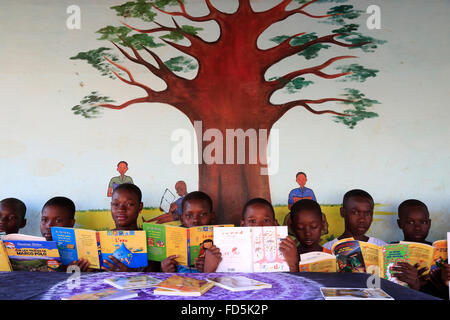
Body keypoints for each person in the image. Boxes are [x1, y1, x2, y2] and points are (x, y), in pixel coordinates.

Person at [203, 198, 278, 273]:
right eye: (252, 221)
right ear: (242, 225)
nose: (258, 226)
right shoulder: (226, 247)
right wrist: (208, 268)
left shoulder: (284, 247)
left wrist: (290, 263)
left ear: (275, 224)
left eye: (266, 220)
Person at [393, 199, 449, 299]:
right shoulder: (391, 250)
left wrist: (446, 282)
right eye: (410, 222)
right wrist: (414, 285)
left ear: (429, 223)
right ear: (399, 223)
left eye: (423, 222)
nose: (417, 227)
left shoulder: (442, 252)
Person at [103, 183, 157, 272]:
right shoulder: (103, 239)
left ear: (140, 207)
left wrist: (130, 273)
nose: (121, 209)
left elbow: (153, 275)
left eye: (129, 204)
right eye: (116, 204)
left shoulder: (150, 241)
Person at [161, 191, 216, 273]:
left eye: (202, 214)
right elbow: (168, 272)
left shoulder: (220, 239)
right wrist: (166, 269)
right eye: (189, 215)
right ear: (182, 219)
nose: (195, 220)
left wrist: (209, 268)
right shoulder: (173, 238)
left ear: (212, 216)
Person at [322, 189, 387, 251]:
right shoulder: (328, 248)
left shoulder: (382, 247)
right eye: (355, 212)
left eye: (367, 214)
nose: (362, 219)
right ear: (343, 212)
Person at [40, 196, 91, 272]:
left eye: (58, 221)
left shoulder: (82, 253)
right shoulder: (36, 248)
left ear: (71, 223)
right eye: (44, 220)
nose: (49, 226)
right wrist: (64, 270)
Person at [279, 199, 331, 272]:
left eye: (314, 226)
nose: (307, 233)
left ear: (322, 225)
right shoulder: (288, 257)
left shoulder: (330, 256)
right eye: (300, 228)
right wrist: (293, 265)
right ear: (293, 228)